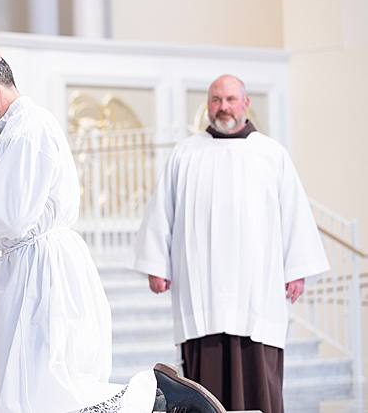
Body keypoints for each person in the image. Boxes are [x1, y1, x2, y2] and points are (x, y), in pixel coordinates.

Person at [0, 61, 227, 413]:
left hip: (41, 273)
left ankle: (156, 398)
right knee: (32, 388)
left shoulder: (26, 130)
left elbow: (10, 220)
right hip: (35, 266)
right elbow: (20, 205)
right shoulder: (19, 129)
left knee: (49, 389)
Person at [130, 74, 330, 413]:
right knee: (203, 386)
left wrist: (298, 270)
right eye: (216, 100)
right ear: (207, 105)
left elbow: (294, 214)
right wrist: (156, 265)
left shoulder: (271, 154)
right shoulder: (186, 153)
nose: (223, 108)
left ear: (245, 103)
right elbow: (162, 211)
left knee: (259, 382)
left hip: (257, 290)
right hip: (201, 290)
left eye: (230, 99)